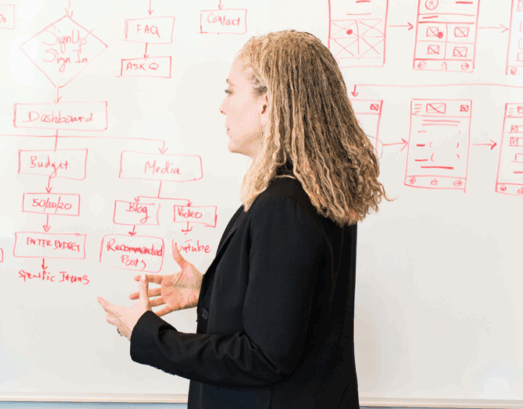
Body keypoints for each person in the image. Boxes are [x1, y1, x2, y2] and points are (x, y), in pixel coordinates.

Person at [99, 30, 387, 408]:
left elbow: (264, 357)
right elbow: (291, 309)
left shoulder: (283, 206)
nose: (222, 106)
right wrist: (210, 291)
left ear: (266, 105)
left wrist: (148, 335)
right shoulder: (317, 192)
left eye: (231, 91)